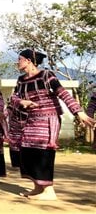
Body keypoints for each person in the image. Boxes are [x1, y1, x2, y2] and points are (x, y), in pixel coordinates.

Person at [10, 49, 94, 200]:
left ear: (29, 60)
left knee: (43, 153)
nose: (18, 62)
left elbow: (62, 93)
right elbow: (14, 97)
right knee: (27, 150)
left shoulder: (46, 75)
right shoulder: (21, 80)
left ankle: (49, 191)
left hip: (48, 118)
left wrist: (78, 111)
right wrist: (22, 101)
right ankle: (37, 187)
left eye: (20, 59)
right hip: (31, 119)